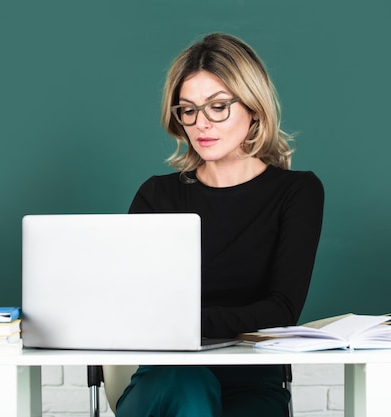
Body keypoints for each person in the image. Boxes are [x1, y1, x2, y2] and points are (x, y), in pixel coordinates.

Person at [116, 33, 324, 417]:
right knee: (189, 386)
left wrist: (185, 321)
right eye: (189, 110)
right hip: (167, 379)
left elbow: (282, 309)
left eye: (218, 107)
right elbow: (133, 305)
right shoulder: (157, 196)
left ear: (254, 109)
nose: (201, 124)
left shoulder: (297, 192)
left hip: (252, 380)